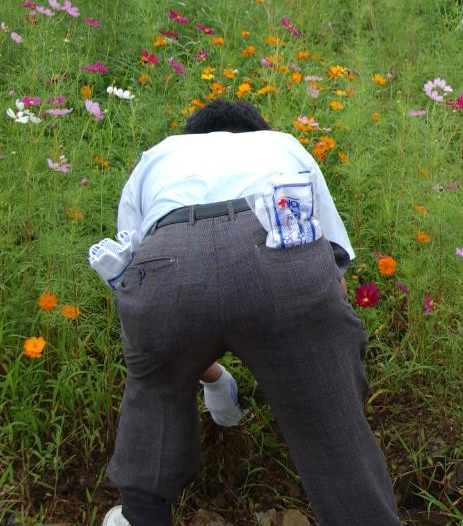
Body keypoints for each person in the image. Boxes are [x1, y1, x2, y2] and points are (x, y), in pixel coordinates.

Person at [100, 100, 400, 526]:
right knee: (338, 437)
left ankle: (140, 515)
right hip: (280, 254)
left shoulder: (158, 156)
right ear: (257, 131)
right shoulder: (281, 145)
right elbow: (336, 276)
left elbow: (142, 290)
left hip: (168, 262)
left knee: (154, 385)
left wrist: (215, 381)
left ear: (191, 139)